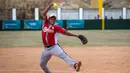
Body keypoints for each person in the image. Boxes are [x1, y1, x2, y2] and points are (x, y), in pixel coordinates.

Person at [40, 3, 84, 73]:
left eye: (54, 19)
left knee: (64, 56)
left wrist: (77, 36)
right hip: (46, 49)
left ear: (55, 20)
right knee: (42, 64)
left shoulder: (56, 27)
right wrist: (49, 5)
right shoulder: (44, 24)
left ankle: (75, 65)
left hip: (54, 47)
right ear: (49, 19)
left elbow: (65, 32)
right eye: (52, 18)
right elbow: (43, 14)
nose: (53, 19)